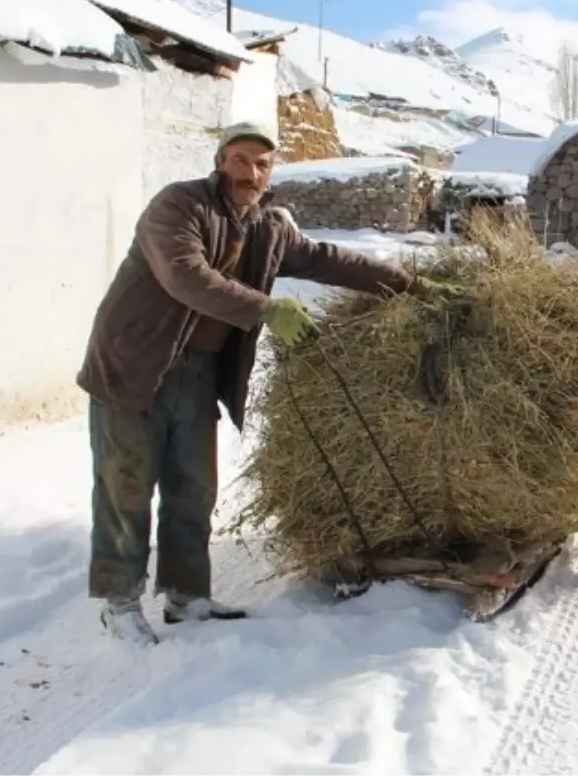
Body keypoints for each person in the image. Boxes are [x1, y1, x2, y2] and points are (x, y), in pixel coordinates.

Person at [75, 121, 456, 644]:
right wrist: (266, 308)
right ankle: (119, 603)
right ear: (220, 161)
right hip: (133, 366)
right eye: (239, 159)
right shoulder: (179, 207)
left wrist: (407, 283)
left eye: (261, 164)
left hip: (197, 373)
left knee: (194, 488)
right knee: (127, 488)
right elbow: (186, 276)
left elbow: (327, 259)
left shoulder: (266, 227)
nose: (250, 172)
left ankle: (187, 598)